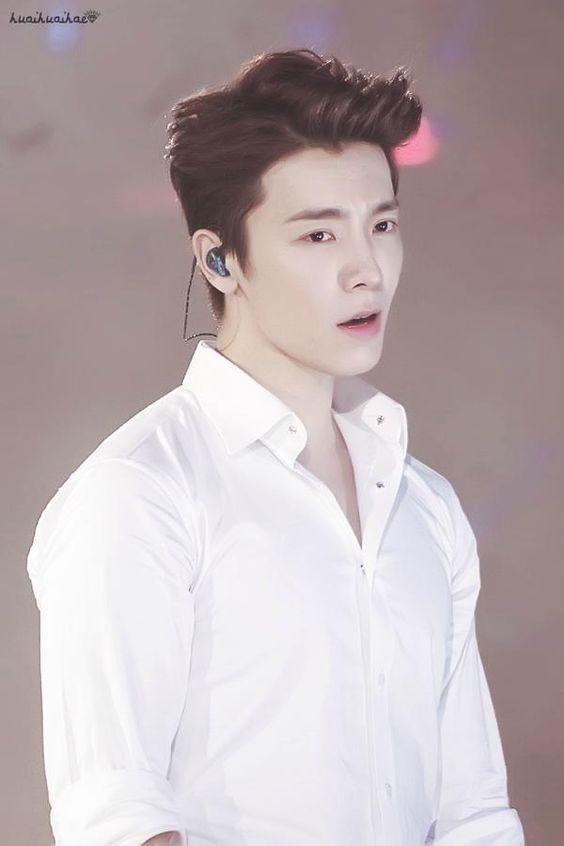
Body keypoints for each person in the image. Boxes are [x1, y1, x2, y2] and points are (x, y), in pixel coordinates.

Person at [26, 48, 526, 845]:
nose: (367, 271)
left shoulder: (424, 506)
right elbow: (116, 815)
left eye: (382, 226)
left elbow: (473, 814)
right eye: (319, 235)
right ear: (220, 259)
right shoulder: (141, 492)